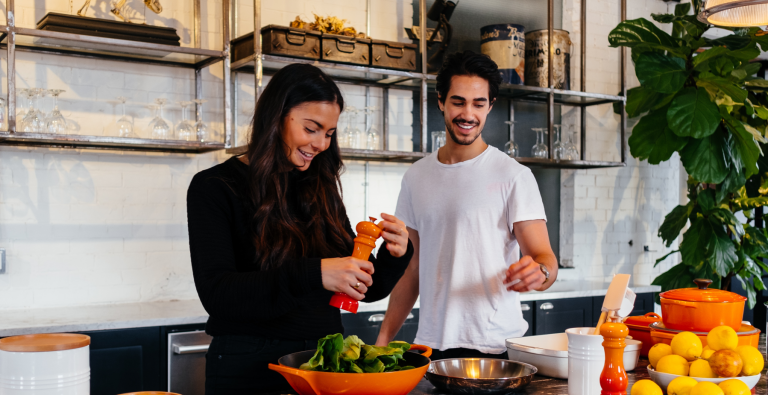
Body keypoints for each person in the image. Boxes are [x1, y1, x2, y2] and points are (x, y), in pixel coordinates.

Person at [186, 63, 413, 394]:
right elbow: (218, 295)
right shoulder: (215, 187)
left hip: (323, 364)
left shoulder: (321, 186)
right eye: (312, 128)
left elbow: (365, 289)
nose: (321, 143)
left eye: (329, 133)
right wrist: (316, 274)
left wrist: (396, 254)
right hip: (247, 368)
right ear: (277, 116)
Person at [375, 50, 558, 359]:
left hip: (496, 346)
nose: (468, 114)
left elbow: (545, 260)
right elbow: (412, 268)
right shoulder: (416, 176)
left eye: (478, 103)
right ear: (441, 101)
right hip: (431, 346)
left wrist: (539, 273)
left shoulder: (514, 176)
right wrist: (382, 340)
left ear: (490, 106)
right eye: (458, 102)